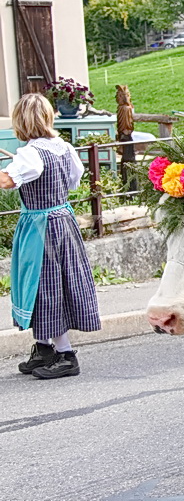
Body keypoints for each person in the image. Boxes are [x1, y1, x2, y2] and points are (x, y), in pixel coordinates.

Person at [1, 93, 100, 378]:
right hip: (63, 220)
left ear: (21, 121)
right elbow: (73, 179)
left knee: (44, 286)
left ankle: (66, 354)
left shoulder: (31, 154)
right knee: (55, 282)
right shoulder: (63, 148)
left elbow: (8, 181)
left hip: (40, 225)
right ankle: (44, 348)